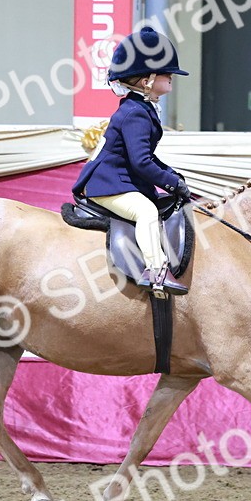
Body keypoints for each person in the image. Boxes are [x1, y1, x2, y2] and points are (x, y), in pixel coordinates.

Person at [72, 25, 192, 297]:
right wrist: (171, 183)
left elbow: (148, 158)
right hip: (109, 185)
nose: (172, 77)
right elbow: (141, 163)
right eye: (166, 72)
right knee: (146, 212)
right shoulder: (135, 113)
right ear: (146, 79)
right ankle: (156, 271)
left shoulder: (141, 107)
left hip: (121, 181)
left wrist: (175, 178)